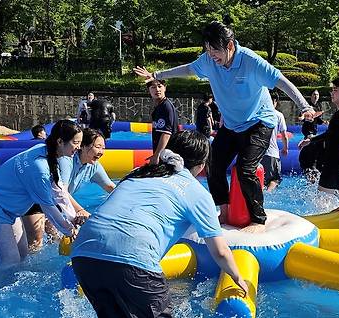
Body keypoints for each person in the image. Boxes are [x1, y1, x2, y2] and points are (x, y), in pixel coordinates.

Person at [133, 21, 315, 231]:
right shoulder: (209, 61)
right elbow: (189, 69)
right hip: (231, 125)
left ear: (230, 46)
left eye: (215, 51)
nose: (212, 56)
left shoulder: (251, 61)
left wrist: (304, 106)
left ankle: (258, 219)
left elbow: (282, 81)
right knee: (213, 163)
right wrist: (157, 75)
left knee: (245, 168)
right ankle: (224, 211)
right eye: (208, 51)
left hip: (258, 122)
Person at [70, 130, 248, 317]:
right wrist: (237, 276)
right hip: (132, 256)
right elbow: (220, 252)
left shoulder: (139, 173)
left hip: (84, 254)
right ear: (202, 165)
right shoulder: (196, 192)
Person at [0, 120, 90, 270]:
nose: (78, 147)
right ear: (60, 141)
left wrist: (73, 218)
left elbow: (59, 191)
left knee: (22, 255)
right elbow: (49, 209)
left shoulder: (44, 149)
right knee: (9, 261)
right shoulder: (39, 169)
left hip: (9, 210)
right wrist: (69, 230)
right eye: (75, 142)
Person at [298, 76, 339, 204]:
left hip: (337, 165)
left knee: (320, 200)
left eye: (335, 90)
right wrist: (311, 140)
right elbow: (330, 134)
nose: (332, 93)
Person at [59, 128, 116, 194]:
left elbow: (110, 187)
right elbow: (62, 192)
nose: (101, 152)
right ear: (83, 146)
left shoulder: (93, 166)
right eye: (98, 147)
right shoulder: (67, 160)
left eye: (103, 148)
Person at [261, 92, 288, 192]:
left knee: (260, 179)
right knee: (275, 179)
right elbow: (284, 136)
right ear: (275, 101)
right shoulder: (278, 115)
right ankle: (268, 194)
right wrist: (285, 148)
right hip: (272, 153)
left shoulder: (259, 113)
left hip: (258, 153)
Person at [147, 79, 179, 165]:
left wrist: (157, 155)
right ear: (149, 90)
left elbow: (166, 133)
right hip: (164, 154)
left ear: (165, 88)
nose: (157, 90)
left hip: (168, 155)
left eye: (160, 86)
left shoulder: (166, 107)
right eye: (153, 87)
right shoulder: (159, 106)